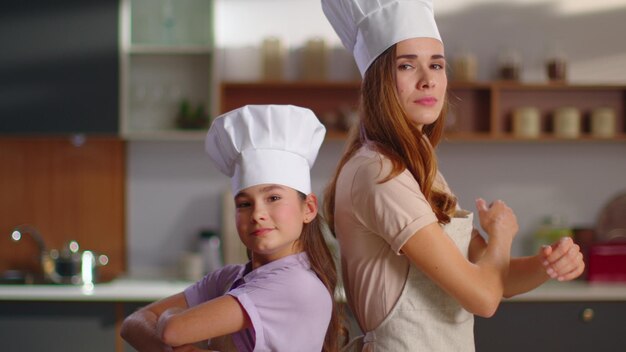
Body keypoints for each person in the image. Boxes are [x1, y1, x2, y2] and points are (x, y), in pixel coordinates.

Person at [321, 0, 585, 350]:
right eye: (406, 66)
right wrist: (502, 234)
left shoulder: (418, 167)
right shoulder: (380, 173)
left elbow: (488, 274)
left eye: (437, 64)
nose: (428, 80)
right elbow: (483, 297)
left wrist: (546, 265)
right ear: (379, 81)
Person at [121, 105, 343, 352]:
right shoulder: (229, 278)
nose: (257, 214)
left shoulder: (297, 284)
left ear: (309, 208)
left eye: (273, 198)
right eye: (244, 203)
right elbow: (132, 324)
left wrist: (168, 318)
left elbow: (174, 330)